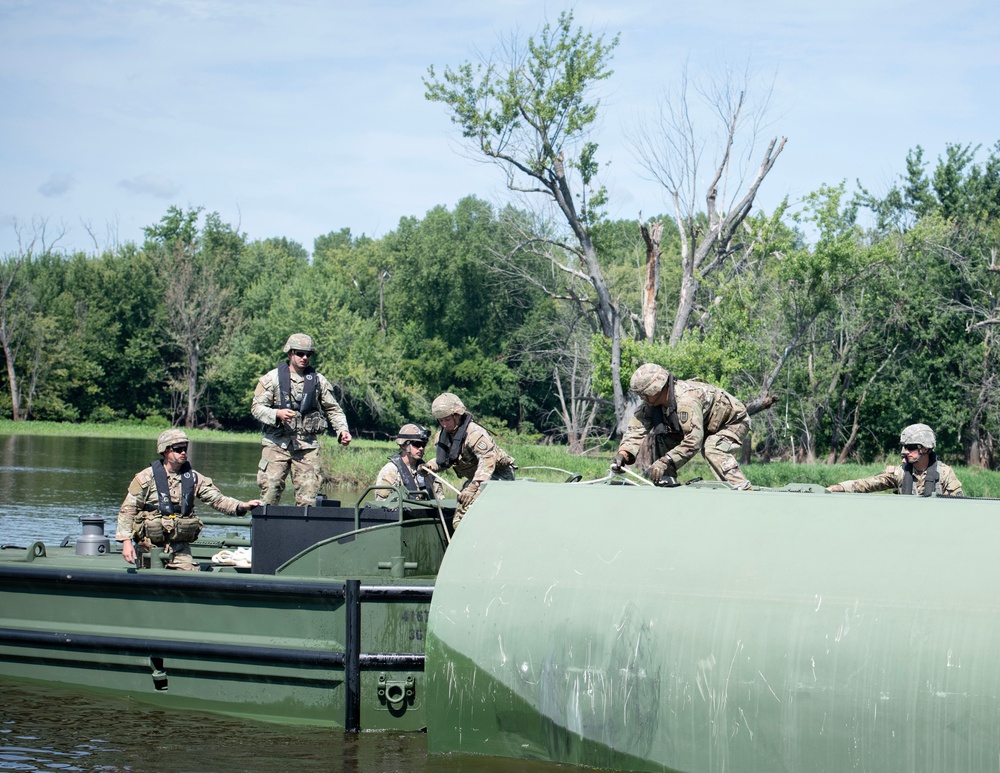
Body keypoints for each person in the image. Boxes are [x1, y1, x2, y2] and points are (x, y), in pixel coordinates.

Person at [115, 429, 263, 570]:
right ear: (165, 451)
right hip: (148, 545)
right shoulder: (146, 478)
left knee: (189, 573)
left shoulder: (193, 478)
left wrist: (242, 506)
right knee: (149, 580)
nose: (183, 452)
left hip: (179, 546)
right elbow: (128, 510)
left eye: (185, 448)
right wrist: (126, 542)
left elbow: (217, 500)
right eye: (178, 449)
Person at [611, 363, 752, 490]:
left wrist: (666, 460)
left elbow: (693, 442)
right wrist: (623, 454)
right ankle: (666, 483)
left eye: (643, 393)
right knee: (663, 436)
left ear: (654, 389)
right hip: (704, 425)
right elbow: (636, 429)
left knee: (712, 447)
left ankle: (741, 488)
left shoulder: (686, 400)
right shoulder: (652, 404)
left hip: (732, 422)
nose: (642, 397)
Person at [251, 333, 353, 506]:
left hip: (306, 447)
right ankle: (267, 529)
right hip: (276, 444)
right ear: (290, 353)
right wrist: (277, 414)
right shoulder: (272, 378)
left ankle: (303, 530)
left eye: (308, 354)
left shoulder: (318, 381)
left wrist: (342, 430)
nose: (305, 358)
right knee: (270, 492)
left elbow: (333, 409)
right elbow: (256, 408)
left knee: (308, 498)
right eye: (300, 353)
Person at [421, 392, 515, 529]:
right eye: (441, 421)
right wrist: (430, 466)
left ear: (457, 415)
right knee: (459, 521)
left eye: (447, 419)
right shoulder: (444, 436)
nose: (444, 424)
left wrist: (472, 487)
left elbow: (488, 460)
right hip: (475, 479)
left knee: (467, 513)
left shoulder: (474, 433)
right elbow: (446, 461)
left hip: (498, 476)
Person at [826, 423, 963, 497]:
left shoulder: (945, 474)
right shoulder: (900, 473)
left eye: (910, 447)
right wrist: (837, 488)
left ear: (925, 449)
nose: (905, 452)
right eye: (904, 447)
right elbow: (867, 484)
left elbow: (958, 508)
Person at [374, 423, 443, 501]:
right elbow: (382, 504)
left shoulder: (428, 470)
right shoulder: (391, 470)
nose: (421, 448)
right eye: (417, 444)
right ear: (403, 445)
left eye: (423, 444)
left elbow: (441, 501)